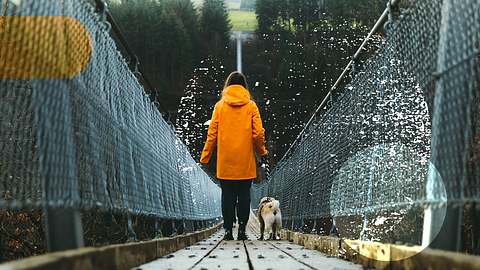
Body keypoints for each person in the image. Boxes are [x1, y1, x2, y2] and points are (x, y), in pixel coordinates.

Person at [200, 71, 268, 241]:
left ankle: (228, 230)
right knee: (244, 195)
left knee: (228, 196)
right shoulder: (251, 106)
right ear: (244, 86)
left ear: (227, 86)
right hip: (245, 161)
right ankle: (243, 230)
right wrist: (262, 152)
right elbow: (258, 133)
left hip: (226, 161)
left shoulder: (220, 106)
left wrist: (205, 158)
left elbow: (212, 134)